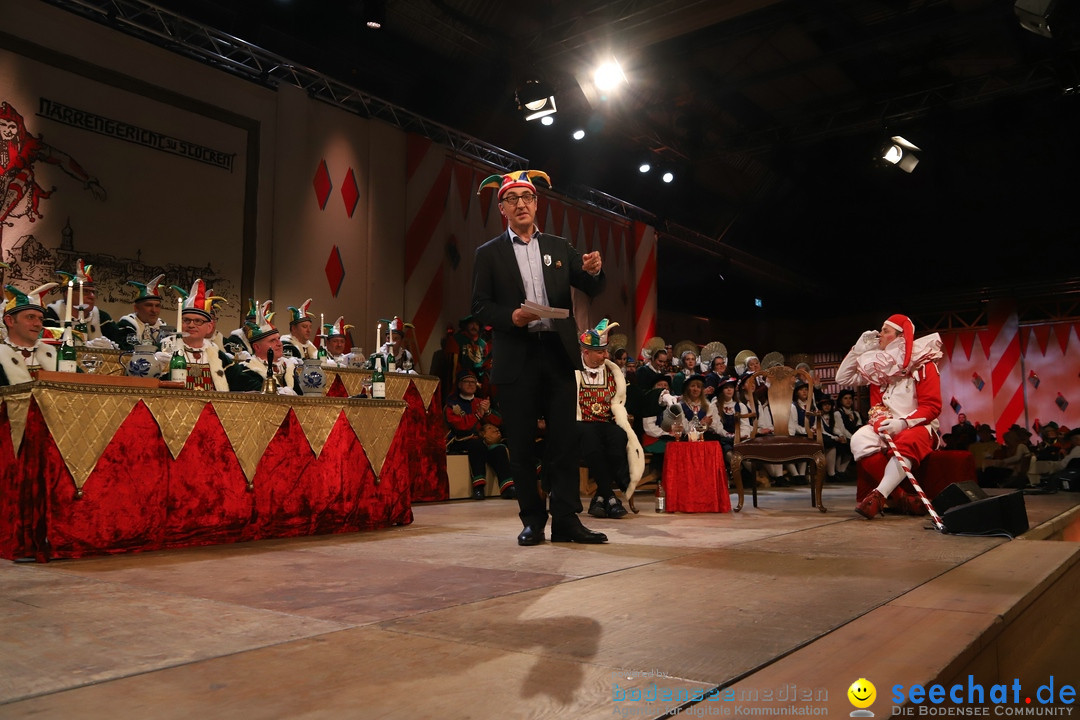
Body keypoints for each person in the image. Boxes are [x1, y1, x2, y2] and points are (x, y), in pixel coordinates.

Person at [471, 169, 607, 546]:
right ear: (502, 209)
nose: (520, 205)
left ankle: (566, 521)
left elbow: (591, 285)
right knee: (522, 443)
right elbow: (480, 306)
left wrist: (596, 269)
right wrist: (510, 317)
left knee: (564, 442)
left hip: (558, 354)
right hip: (518, 357)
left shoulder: (560, 247)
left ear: (537, 204)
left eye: (527, 198)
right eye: (512, 200)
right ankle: (532, 520)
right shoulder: (489, 254)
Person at [836, 314, 943, 519]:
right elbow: (843, 378)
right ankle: (900, 496)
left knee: (908, 440)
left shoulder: (924, 364)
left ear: (900, 336)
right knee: (859, 439)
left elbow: (932, 406)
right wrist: (858, 349)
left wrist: (902, 423)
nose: (880, 335)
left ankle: (878, 495)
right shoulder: (878, 367)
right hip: (882, 426)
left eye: (885, 331)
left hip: (917, 426)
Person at [575, 320, 644, 519]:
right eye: (600, 352)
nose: (606, 355)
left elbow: (625, 399)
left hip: (606, 422)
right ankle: (610, 497)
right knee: (592, 443)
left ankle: (600, 498)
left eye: (606, 351)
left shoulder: (613, 373)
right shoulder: (573, 371)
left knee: (618, 440)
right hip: (581, 423)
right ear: (586, 352)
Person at [444, 370, 514, 500]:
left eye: (473, 382)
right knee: (477, 445)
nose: (471, 384)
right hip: (461, 440)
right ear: (459, 384)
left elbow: (499, 421)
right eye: (467, 382)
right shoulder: (452, 404)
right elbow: (460, 426)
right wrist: (478, 414)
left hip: (483, 440)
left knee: (498, 448)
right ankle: (478, 487)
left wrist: (487, 412)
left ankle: (507, 487)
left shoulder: (480, 401)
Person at [155, 279, 231, 391]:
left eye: (198, 321)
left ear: (209, 327)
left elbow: (243, 382)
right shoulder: (164, 347)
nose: (191, 325)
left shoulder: (217, 355)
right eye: (186, 320)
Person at [225, 303, 302, 394]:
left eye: (278, 339)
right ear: (257, 347)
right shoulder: (246, 371)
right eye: (272, 340)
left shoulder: (289, 367)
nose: (279, 344)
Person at [45, 259, 116, 345]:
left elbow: (122, 347)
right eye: (85, 291)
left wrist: (110, 346)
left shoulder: (103, 318)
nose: (92, 296)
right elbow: (47, 343)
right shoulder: (51, 314)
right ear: (68, 293)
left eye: (93, 292)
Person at [0, 283, 59, 384]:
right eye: (30, 317)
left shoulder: (56, 355)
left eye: (41, 319)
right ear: (10, 321)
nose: (38, 324)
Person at [111, 274, 167, 350]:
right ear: (136, 308)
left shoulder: (164, 326)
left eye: (157, 306)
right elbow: (131, 349)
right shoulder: (127, 324)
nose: (154, 310)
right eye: (149, 305)